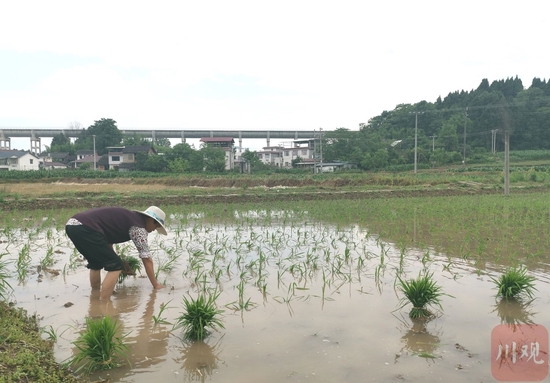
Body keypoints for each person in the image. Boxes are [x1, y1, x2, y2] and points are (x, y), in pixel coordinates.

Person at [65, 206, 168, 300]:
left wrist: (113, 258)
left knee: (96, 262)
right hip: (86, 228)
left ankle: (95, 297)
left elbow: (107, 243)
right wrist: (156, 285)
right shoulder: (138, 228)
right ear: (150, 219)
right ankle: (104, 303)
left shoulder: (129, 218)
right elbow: (146, 259)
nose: (155, 229)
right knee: (117, 266)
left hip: (72, 225)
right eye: (157, 225)